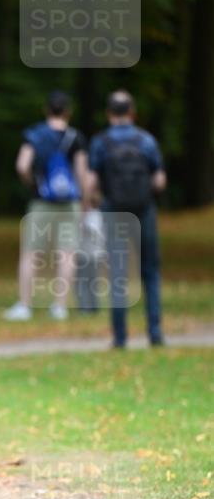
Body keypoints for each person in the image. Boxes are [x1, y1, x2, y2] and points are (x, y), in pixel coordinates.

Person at [88, 90, 166, 348]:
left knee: (118, 274)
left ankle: (120, 338)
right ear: (132, 112)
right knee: (151, 272)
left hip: (114, 212)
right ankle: (155, 333)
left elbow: (91, 182)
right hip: (144, 211)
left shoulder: (101, 142)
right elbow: (159, 180)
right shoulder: (146, 140)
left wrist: (92, 203)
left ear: (109, 113)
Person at [4, 91, 89, 321]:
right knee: (67, 254)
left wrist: (32, 183)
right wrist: (85, 202)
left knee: (31, 253)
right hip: (69, 203)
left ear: (46, 110)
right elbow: (82, 174)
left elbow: (22, 165)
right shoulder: (75, 137)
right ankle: (59, 306)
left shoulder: (35, 135)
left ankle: (24, 306)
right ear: (68, 111)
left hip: (41, 202)